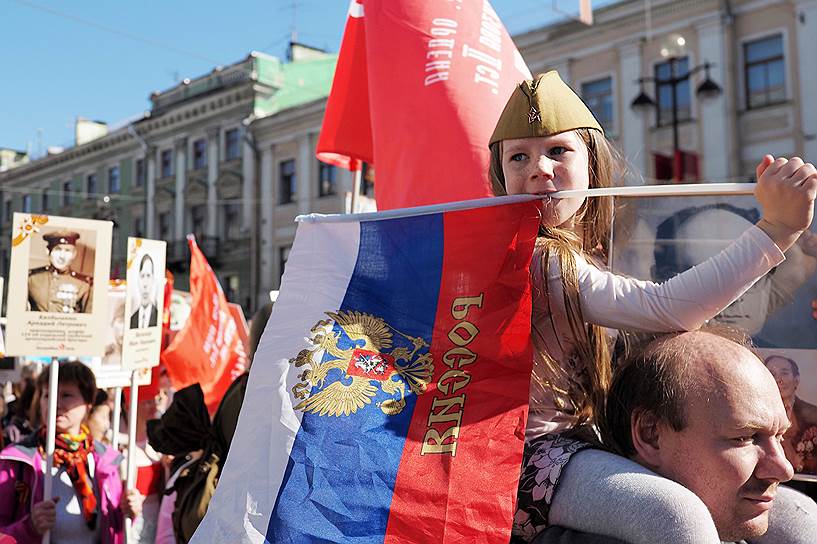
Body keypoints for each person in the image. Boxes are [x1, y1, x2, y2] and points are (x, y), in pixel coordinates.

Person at [488, 71, 817, 543]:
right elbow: (666, 309)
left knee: (798, 519)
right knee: (672, 518)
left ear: (593, 167)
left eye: (558, 151)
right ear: (502, 179)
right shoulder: (541, 257)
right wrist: (778, 229)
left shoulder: (587, 251)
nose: (539, 168)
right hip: (522, 459)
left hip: (594, 441)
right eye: (519, 156)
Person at [0, 360, 142, 542]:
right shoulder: (16, 460)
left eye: (66, 395)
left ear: (88, 404)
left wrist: (129, 510)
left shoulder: (106, 460)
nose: (55, 403)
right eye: (47, 395)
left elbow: (113, 527)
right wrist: (29, 527)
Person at [764, 354, 817, 473]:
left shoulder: (814, 414)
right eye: (772, 374)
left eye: (784, 373)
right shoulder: (754, 415)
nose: (779, 379)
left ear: (796, 380)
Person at [28, 230, 93, 313]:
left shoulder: (84, 285)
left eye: (67, 251)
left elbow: (88, 321)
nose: (62, 256)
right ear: (48, 251)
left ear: (74, 254)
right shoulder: (31, 279)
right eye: (57, 250)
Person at [130, 254, 158, 329]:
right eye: (142, 276)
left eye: (148, 276)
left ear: (153, 280)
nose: (145, 284)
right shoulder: (131, 320)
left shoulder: (159, 318)